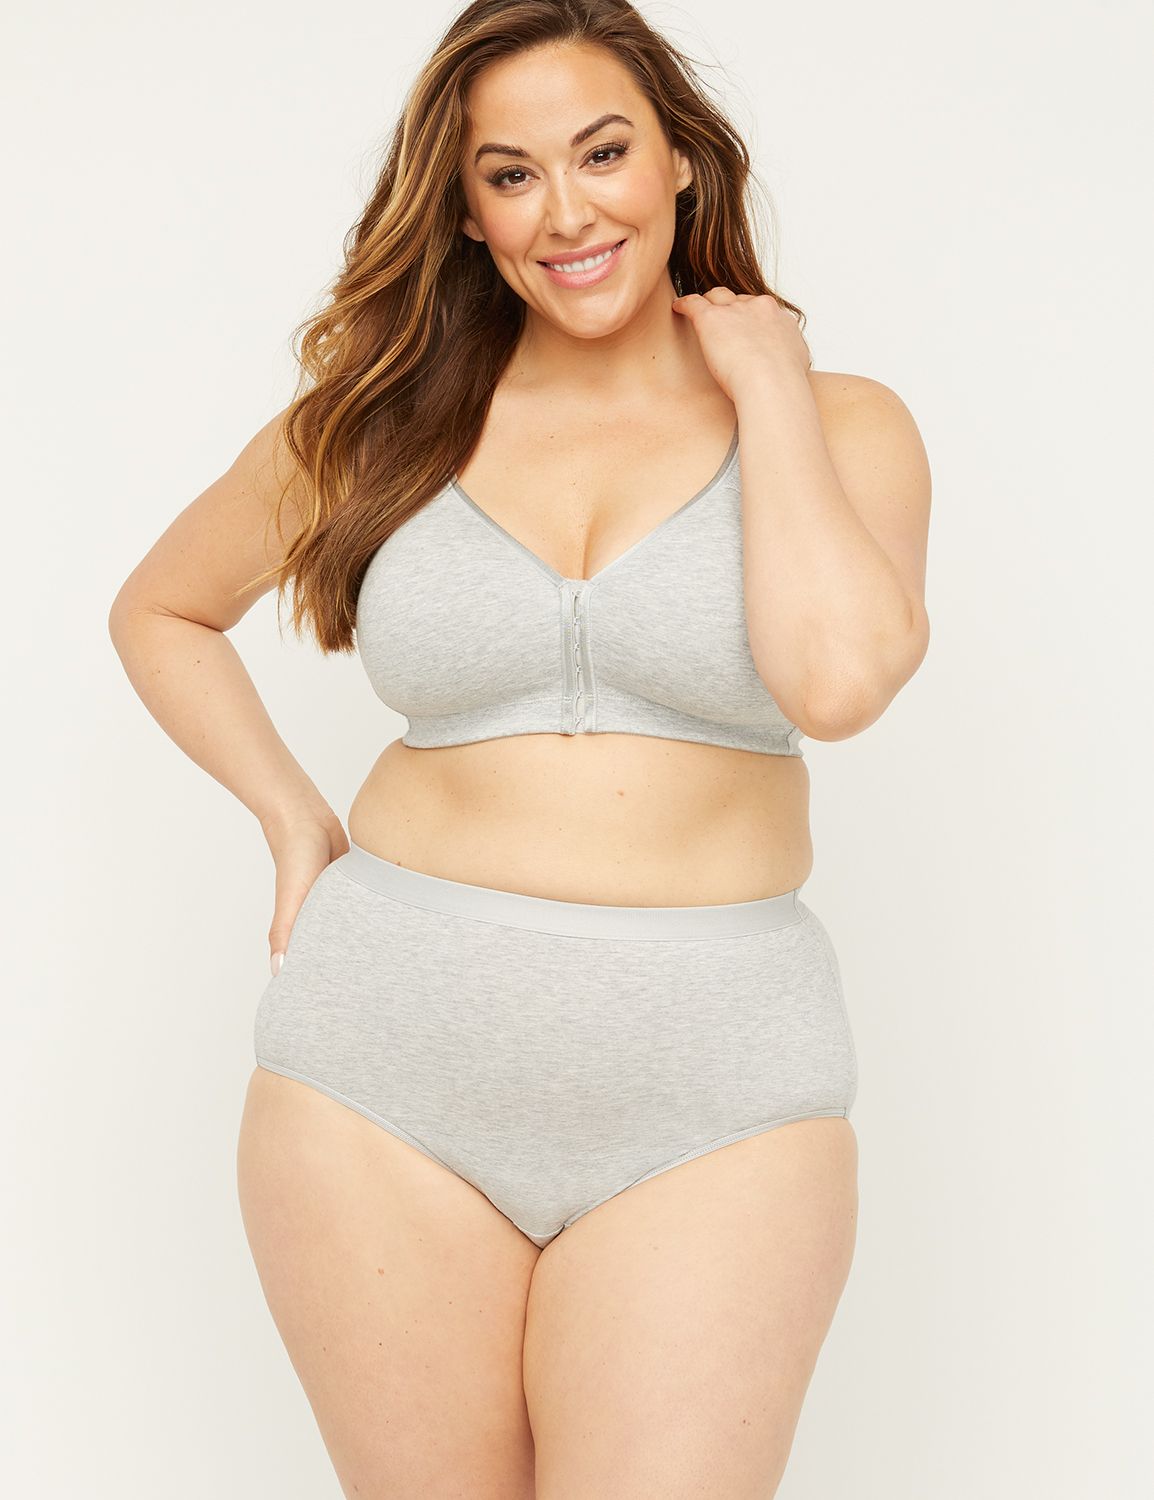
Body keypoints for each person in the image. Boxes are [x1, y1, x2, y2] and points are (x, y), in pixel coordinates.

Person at [108, 1, 931, 1494]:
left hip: (715, 1088)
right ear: (467, 211)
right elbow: (162, 610)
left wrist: (764, 383)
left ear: (680, 161)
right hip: (382, 1070)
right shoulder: (380, 426)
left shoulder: (840, 423)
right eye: (511, 174)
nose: (567, 212)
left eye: (603, 153)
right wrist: (295, 822)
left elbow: (839, 683)